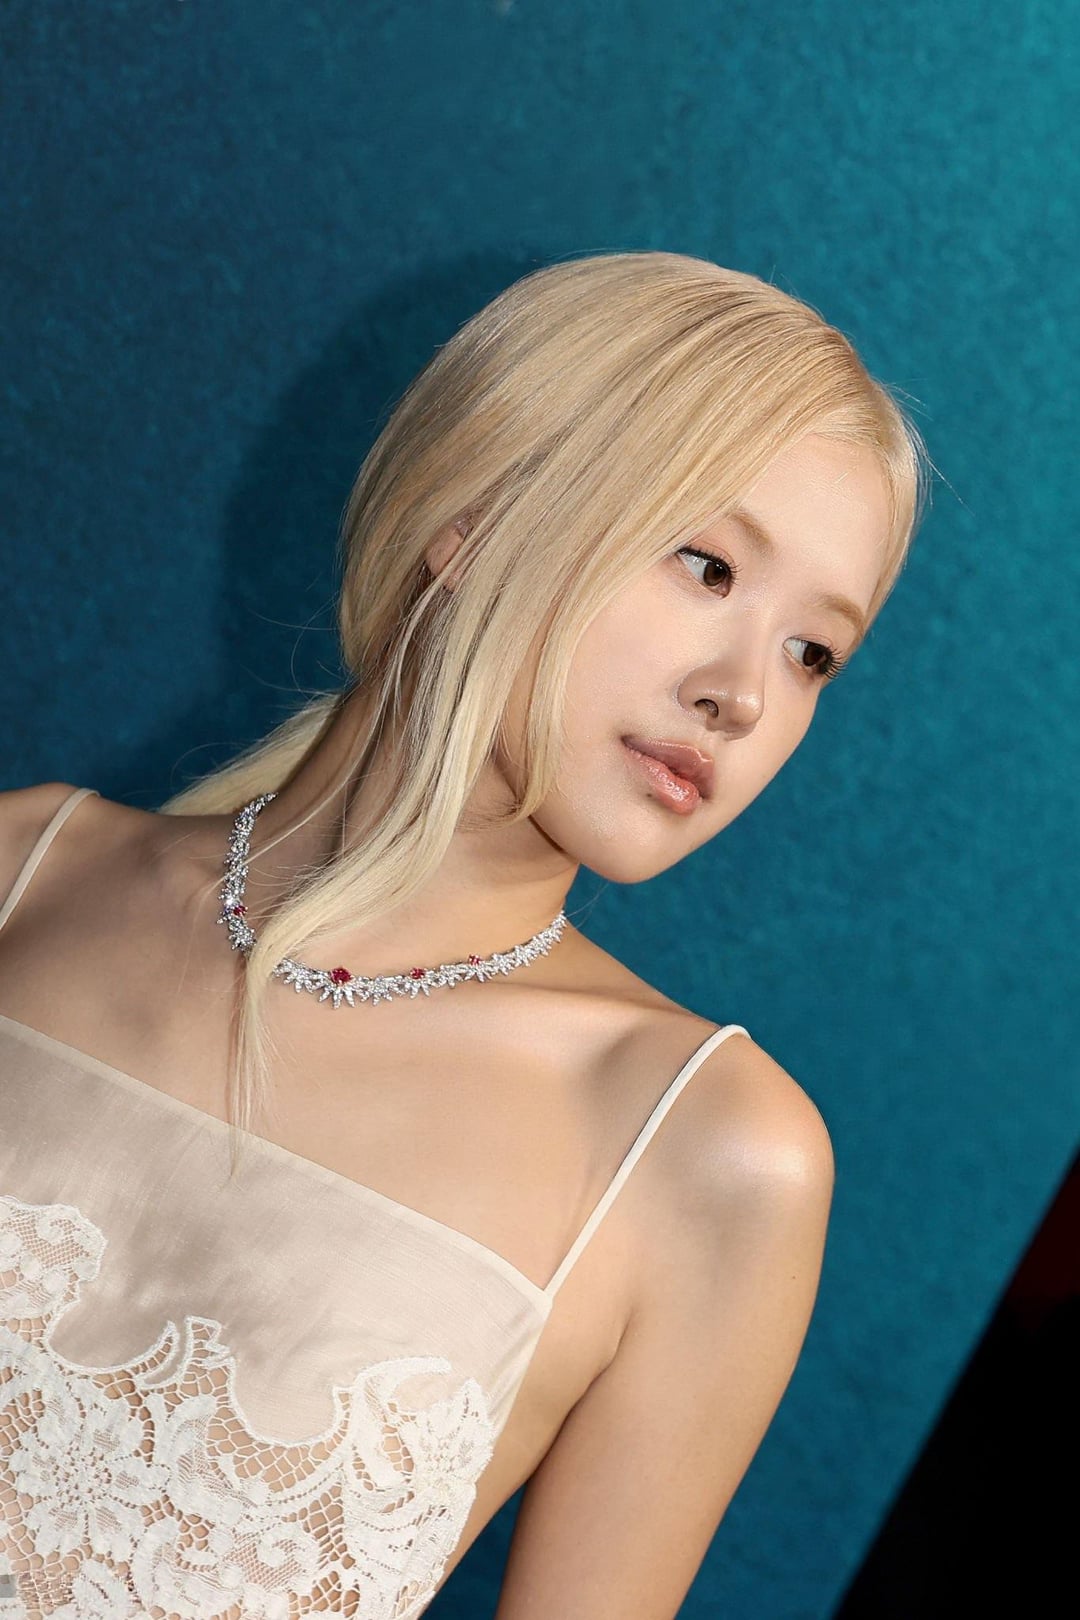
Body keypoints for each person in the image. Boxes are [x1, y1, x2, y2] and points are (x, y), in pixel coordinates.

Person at [0, 250, 928, 1619]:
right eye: (708, 563)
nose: (745, 694)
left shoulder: (705, 1153)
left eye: (813, 654)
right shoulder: (25, 872)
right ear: (479, 510)